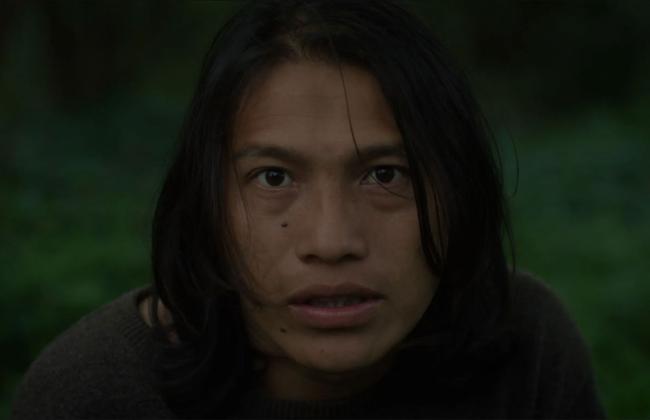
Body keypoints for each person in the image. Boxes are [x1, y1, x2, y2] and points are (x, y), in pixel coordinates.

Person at [11, 0, 605, 418]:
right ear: (208, 207)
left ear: (459, 192)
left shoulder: (527, 351)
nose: (330, 239)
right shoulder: (95, 394)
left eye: (385, 174)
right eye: (273, 177)